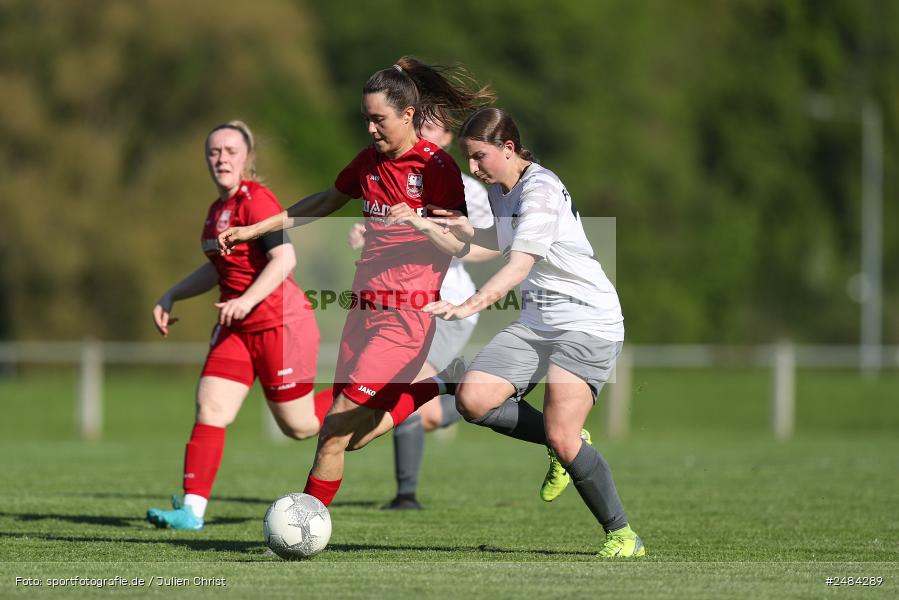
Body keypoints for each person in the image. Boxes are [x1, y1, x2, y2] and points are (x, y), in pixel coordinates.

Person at [217, 57, 494, 508]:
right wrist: (254, 229)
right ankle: (429, 387)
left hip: (404, 323)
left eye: (378, 119)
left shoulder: (437, 169)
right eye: (366, 119)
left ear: (408, 116)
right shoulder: (368, 161)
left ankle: (304, 522)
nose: (370, 129)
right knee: (355, 438)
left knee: (331, 431)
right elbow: (325, 200)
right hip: (362, 315)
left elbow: (462, 246)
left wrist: (424, 226)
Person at [424, 107, 645, 558]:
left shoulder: (539, 191)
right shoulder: (506, 189)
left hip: (587, 322)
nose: (473, 168)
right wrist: (438, 225)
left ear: (508, 148)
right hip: (538, 323)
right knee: (472, 399)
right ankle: (562, 439)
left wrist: (467, 304)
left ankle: (623, 536)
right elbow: (495, 239)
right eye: (469, 158)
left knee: (563, 437)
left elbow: (518, 264)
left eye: (479, 157)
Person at [146, 121, 326, 530]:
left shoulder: (258, 202)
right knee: (210, 406)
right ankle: (192, 511)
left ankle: (367, 396)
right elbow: (218, 270)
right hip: (236, 329)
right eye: (214, 151)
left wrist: (245, 300)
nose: (221, 158)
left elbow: (285, 261)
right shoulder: (215, 212)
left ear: (247, 158)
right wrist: (172, 293)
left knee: (299, 427)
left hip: (280, 325)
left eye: (230, 150)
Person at [347, 117, 498, 510]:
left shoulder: (467, 188)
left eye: (433, 129)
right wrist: (369, 232)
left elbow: (486, 245)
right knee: (424, 413)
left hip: (446, 306)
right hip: (401, 304)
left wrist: (443, 238)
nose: (423, 136)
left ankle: (405, 496)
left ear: (448, 138)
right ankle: (465, 388)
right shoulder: (390, 171)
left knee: (401, 387)